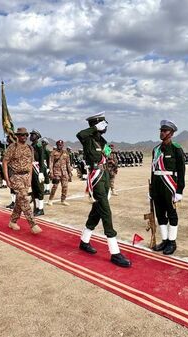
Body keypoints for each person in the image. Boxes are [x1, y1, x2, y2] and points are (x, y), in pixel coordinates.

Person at [76, 112, 131, 268]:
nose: (106, 125)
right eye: (103, 123)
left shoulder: (102, 140)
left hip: (105, 175)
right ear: (96, 125)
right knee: (106, 211)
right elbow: (79, 134)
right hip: (96, 177)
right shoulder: (88, 139)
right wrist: (93, 129)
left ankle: (84, 241)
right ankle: (114, 252)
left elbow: (107, 155)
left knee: (97, 211)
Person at [150, 120, 186, 255]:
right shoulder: (156, 150)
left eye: (164, 131)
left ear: (171, 133)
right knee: (160, 214)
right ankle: (164, 240)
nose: (161, 133)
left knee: (172, 214)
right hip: (158, 186)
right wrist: (152, 189)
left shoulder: (177, 149)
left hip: (170, 185)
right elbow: (153, 171)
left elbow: (181, 171)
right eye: (161, 130)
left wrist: (179, 191)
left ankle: (172, 241)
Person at [2, 127, 42, 234]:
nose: (23, 137)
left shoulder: (30, 148)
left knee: (20, 200)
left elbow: (30, 163)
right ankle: (33, 224)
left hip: (26, 177)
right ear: (17, 136)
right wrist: (6, 179)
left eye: (25, 135)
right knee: (24, 198)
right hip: (16, 176)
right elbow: (5, 162)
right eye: (21, 135)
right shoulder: (12, 147)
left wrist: (29, 177)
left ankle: (12, 221)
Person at [47, 140, 72, 206]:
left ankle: (63, 200)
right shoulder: (53, 153)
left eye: (61, 145)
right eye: (58, 145)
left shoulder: (66, 153)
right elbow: (51, 163)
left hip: (64, 172)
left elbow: (68, 163)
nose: (60, 146)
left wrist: (69, 172)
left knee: (65, 186)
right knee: (55, 186)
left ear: (63, 145)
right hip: (56, 172)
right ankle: (50, 200)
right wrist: (51, 173)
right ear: (57, 145)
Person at [29, 129, 46, 216]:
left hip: (37, 169)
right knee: (34, 189)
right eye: (30, 135)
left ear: (37, 136)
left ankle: (41, 208)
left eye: (32, 135)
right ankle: (36, 208)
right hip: (32, 168)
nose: (30, 136)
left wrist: (41, 172)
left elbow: (41, 160)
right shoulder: (32, 145)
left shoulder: (39, 145)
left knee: (39, 189)